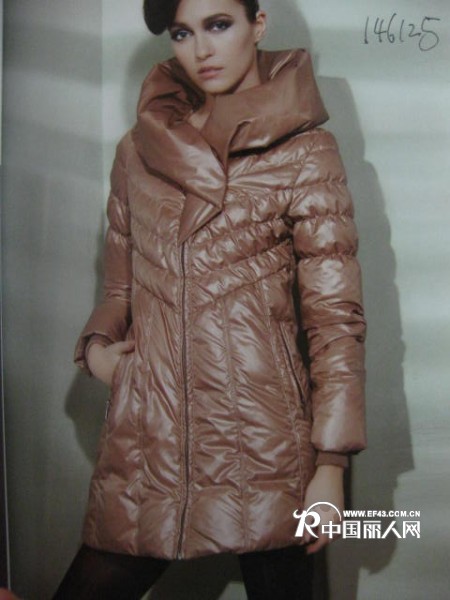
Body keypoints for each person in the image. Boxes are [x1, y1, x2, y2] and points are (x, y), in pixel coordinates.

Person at [53, 0, 367, 598]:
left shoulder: (305, 151)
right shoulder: (137, 151)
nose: (201, 50)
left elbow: (335, 320)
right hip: (149, 437)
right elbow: (119, 289)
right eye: (182, 32)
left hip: (265, 444)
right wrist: (96, 350)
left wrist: (331, 464)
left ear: (258, 24)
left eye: (219, 25)